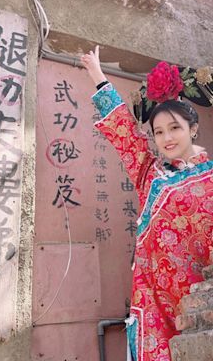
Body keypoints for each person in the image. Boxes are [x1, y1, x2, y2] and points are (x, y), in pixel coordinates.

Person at [81, 46, 213, 361]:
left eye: (175, 129)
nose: (166, 138)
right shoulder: (150, 174)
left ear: (192, 129)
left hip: (199, 304)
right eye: (158, 132)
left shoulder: (210, 178)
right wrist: (98, 76)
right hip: (152, 304)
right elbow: (125, 133)